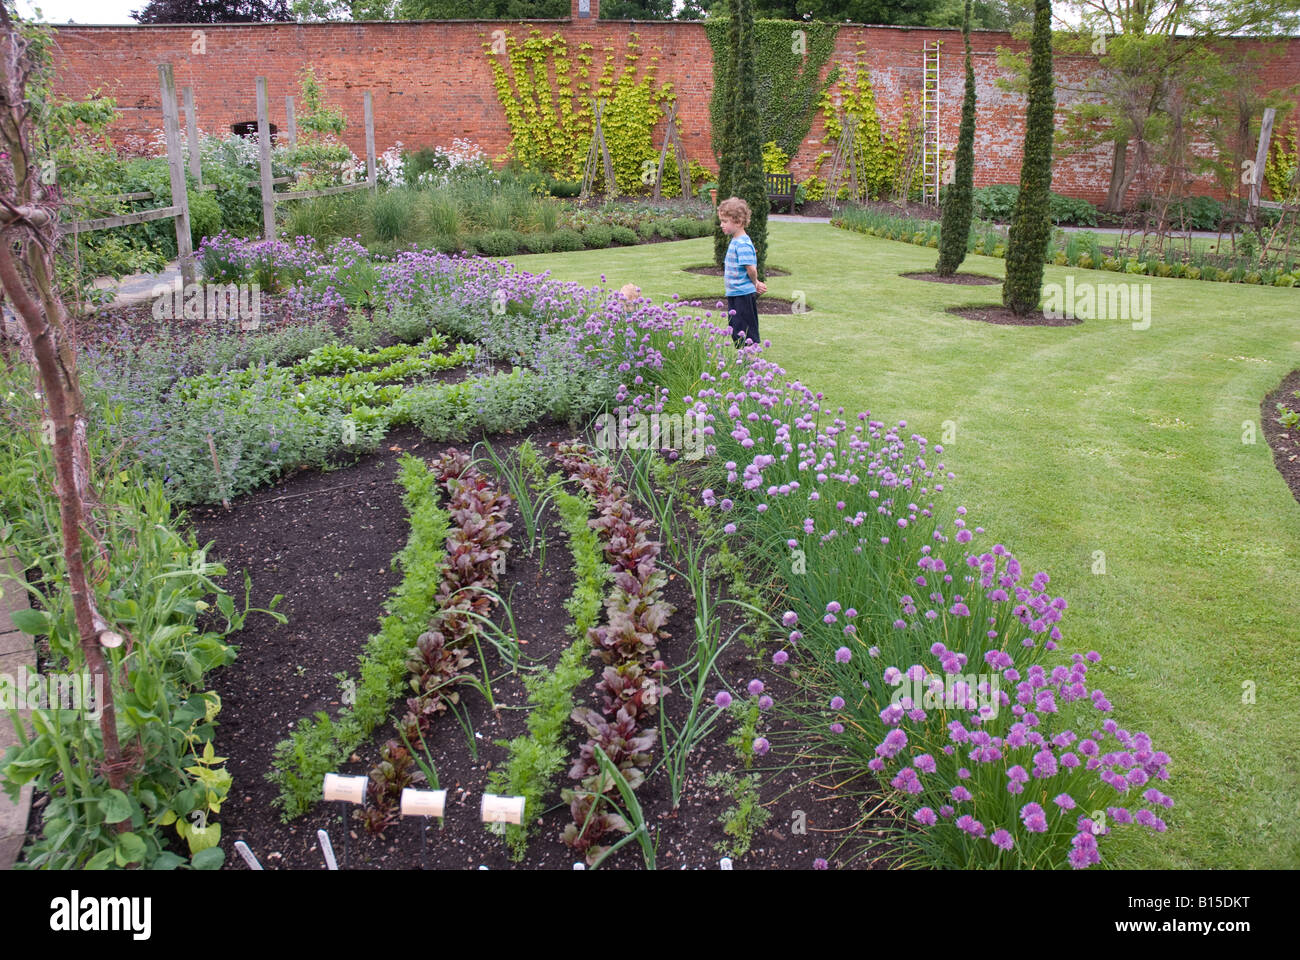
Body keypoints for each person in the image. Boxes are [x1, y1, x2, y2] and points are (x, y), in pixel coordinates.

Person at [717, 196, 766, 346]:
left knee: (746, 329)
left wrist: (755, 283)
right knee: (736, 328)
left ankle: (750, 361)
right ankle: (743, 360)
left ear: (738, 222)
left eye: (725, 221)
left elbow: (751, 268)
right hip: (734, 293)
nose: (721, 225)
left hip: (742, 294)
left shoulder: (743, 244)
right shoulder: (736, 240)